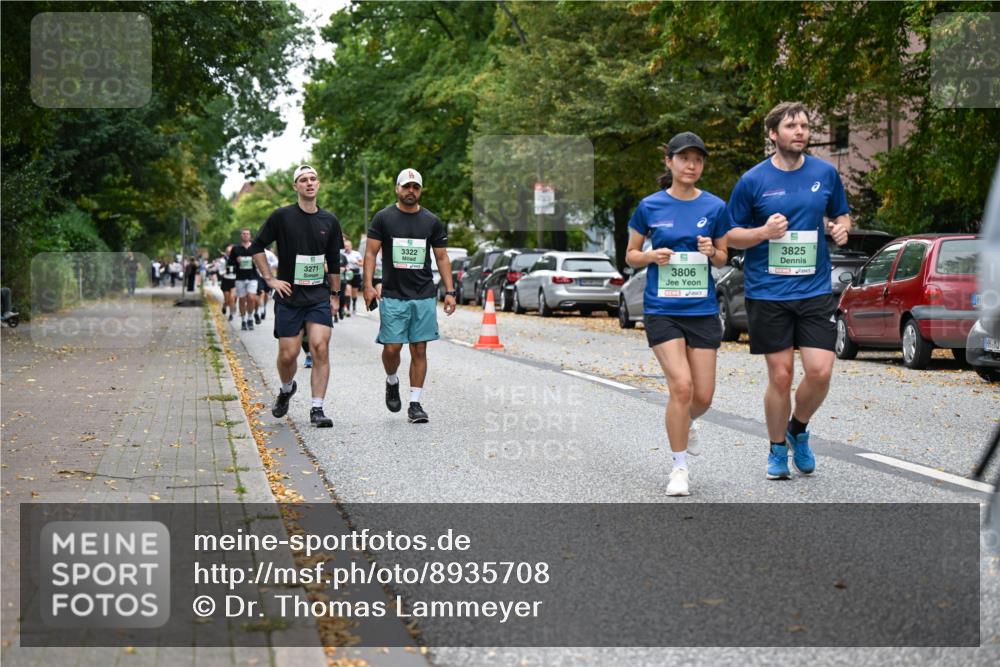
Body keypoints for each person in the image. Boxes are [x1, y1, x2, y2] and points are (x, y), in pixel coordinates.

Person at [725, 101, 851, 480]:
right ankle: (777, 448)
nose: (800, 132)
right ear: (773, 134)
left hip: (813, 288)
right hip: (768, 290)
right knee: (780, 376)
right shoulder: (752, 181)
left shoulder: (825, 174)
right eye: (792, 126)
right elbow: (731, 234)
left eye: (805, 125)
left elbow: (841, 214)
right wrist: (763, 233)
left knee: (821, 371)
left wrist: (841, 227)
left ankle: (798, 428)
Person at [625, 132, 730, 497]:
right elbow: (631, 254)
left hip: (701, 310)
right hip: (662, 309)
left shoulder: (715, 207)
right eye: (684, 158)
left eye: (698, 159)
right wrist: (651, 256)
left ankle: (685, 422)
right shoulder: (649, 206)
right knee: (681, 386)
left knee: (702, 397)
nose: (691, 165)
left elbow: (723, 257)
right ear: (668, 162)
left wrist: (711, 251)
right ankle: (679, 469)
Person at [250, 165, 343, 428]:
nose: (309, 183)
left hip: (317, 296)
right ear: (296, 187)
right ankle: (286, 387)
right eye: (303, 180)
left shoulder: (330, 221)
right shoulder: (282, 217)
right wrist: (270, 279)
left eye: (313, 179)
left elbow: (333, 262)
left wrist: (335, 296)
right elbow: (258, 246)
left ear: (319, 184)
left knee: (320, 346)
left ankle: (317, 408)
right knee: (288, 355)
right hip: (289, 297)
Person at [363, 168, 456, 424]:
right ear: (397, 189)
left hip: (424, 293)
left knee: (419, 347)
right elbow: (371, 254)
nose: (410, 191)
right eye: (406, 186)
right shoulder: (383, 218)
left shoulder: (432, 221)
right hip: (393, 294)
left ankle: (415, 403)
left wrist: (450, 291)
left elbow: (441, 256)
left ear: (420, 191)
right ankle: (392, 380)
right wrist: (368, 285)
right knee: (392, 347)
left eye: (415, 187)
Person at [230, 229, 259, 330]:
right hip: (240, 277)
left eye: (247, 234)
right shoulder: (236, 248)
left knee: (251, 297)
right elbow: (230, 263)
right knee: (242, 300)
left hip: (252, 277)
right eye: (244, 234)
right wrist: (236, 261)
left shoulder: (255, 247)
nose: (246, 235)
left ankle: (250, 318)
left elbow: (262, 260)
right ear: (241, 236)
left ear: (250, 236)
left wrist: (256, 261)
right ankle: (243, 320)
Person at [256, 247, 279, 321]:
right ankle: (261, 309)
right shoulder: (256, 252)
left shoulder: (269, 254)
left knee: (266, 294)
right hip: (258, 276)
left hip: (268, 276)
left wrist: (269, 265)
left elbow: (276, 262)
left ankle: (264, 307)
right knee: (261, 293)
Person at [343, 238, 363, 315]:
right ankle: (348, 308)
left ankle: (354, 304)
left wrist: (357, 262)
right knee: (348, 290)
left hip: (355, 273)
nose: (346, 247)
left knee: (354, 292)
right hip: (347, 273)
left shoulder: (356, 254)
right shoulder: (343, 255)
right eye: (345, 246)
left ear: (351, 246)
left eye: (347, 246)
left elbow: (362, 263)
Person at [219, 245, 237, 320]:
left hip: (235, 280)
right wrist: (225, 271)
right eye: (228, 252)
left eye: (231, 251)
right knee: (227, 299)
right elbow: (220, 272)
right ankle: (224, 305)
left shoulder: (237, 259)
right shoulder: (223, 260)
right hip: (226, 280)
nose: (230, 253)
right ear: (226, 252)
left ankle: (231, 314)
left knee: (232, 298)